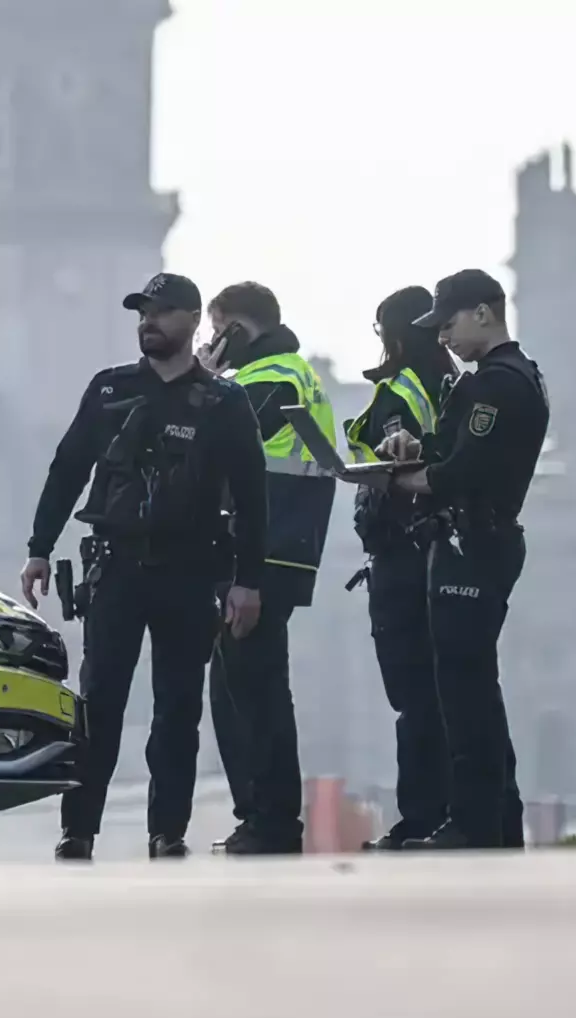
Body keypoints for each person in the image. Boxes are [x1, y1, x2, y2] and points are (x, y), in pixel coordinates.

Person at [18, 273, 268, 862]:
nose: (148, 322)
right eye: (142, 313)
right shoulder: (111, 389)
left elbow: (252, 496)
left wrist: (248, 582)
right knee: (98, 705)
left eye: (161, 311)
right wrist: (39, 547)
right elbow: (68, 468)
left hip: (190, 570)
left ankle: (167, 832)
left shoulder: (223, 402)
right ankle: (78, 830)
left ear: (192, 319)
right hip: (117, 568)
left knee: (178, 710)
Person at [379, 268, 549, 851]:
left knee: (464, 692)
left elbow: (461, 471)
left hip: (472, 544)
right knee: (474, 687)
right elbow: (451, 449)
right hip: (477, 542)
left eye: (448, 323)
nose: (442, 337)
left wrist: (400, 480)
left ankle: (474, 823)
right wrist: (413, 449)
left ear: (482, 312)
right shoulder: (505, 378)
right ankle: (495, 823)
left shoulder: (498, 385)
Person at [197, 282, 339, 856]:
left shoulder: (268, 379)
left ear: (237, 328)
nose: (211, 342)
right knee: (239, 688)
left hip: (264, 552)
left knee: (254, 691)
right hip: (272, 548)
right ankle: (260, 815)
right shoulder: (283, 372)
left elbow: (212, 443)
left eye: (217, 330)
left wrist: (202, 381)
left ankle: (272, 821)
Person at [342, 285, 457, 850]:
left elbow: (390, 445)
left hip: (402, 553)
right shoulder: (451, 383)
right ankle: (450, 813)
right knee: (443, 692)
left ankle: (421, 817)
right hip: (441, 549)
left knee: (412, 698)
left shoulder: (401, 389)